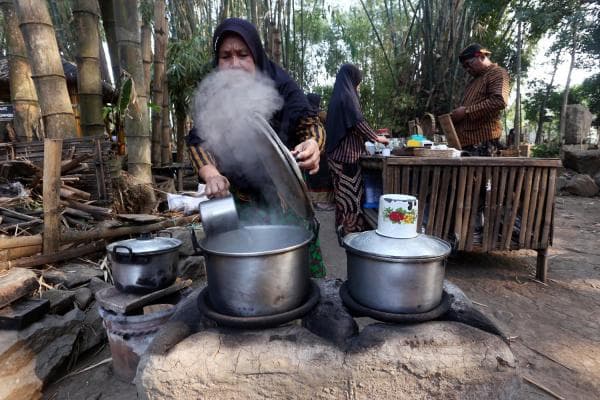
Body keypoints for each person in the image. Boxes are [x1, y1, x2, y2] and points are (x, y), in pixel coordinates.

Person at [186, 18, 326, 277]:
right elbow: (198, 141)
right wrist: (212, 175)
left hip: (286, 195)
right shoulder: (214, 93)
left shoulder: (282, 85)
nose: (234, 64)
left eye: (243, 54)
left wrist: (313, 145)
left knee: (298, 265)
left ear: (257, 55)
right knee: (246, 268)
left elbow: (311, 126)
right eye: (226, 56)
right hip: (239, 197)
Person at [326, 64, 389, 233]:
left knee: (342, 197)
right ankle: (352, 233)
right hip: (345, 158)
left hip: (336, 157)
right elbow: (358, 122)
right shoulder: (347, 97)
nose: (358, 86)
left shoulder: (338, 96)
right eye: (358, 82)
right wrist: (377, 138)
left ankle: (342, 229)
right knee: (350, 198)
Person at [451, 43, 510, 156]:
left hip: (483, 143)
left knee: (480, 174)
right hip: (467, 143)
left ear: (481, 56)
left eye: (469, 64)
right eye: (465, 67)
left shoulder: (497, 72)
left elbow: (499, 101)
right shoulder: (473, 81)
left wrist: (466, 111)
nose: (467, 69)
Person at [305, 93, 335, 211]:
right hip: (321, 151)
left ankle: (313, 201)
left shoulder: (304, 113)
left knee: (312, 175)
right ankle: (323, 202)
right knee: (323, 177)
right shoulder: (322, 115)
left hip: (308, 150)